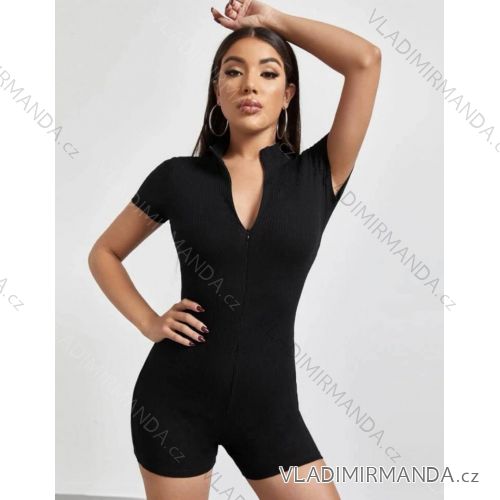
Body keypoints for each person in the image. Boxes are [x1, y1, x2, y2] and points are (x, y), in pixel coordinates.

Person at [88, 1, 381, 498]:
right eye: (233, 72)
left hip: (270, 413)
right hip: (173, 403)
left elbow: (365, 61)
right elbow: (104, 253)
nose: (249, 85)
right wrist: (149, 322)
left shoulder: (319, 174)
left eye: (268, 73)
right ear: (217, 91)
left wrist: (271, 21)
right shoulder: (177, 178)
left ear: (287, 94)